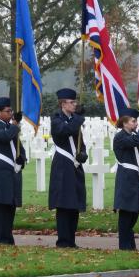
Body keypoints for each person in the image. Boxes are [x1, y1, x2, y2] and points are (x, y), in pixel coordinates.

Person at [49, 88, 87, 248]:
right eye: (71, 102)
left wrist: (83, 155)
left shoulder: (74, 120)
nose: (75, 104)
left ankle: (71, 240)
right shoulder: (56, 119)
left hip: (75, 165)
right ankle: (63, 241)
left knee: (74, 204)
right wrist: (79, 118)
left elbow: (80, 142)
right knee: (64, 204)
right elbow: (65, 130)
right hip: (63, 164)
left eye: (75, 101)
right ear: (63, 104)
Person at [0, 97, 26, 245]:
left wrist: (22, 158)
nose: (11, 113)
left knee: (10, 206)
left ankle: (8, 237)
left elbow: (18, 146)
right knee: (2, 206)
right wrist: (15, 125)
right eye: (8, 111)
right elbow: (4, 137)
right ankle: (0, 239)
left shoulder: (10, 127)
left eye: (11, 111)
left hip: (12, 172)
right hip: (0, 173)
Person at [112, 107, 139, 250]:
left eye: (136, 121)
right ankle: (124, 245)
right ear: (124, 123)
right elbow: (135, 141)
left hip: (136, 177)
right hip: (126, 177)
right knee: (126, 212)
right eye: (133, 121)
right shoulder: (120, 137)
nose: (135, 124)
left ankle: (130, 245)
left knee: (134, 212)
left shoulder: (133, 135)